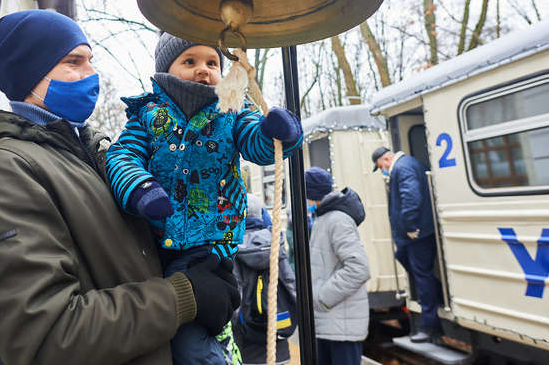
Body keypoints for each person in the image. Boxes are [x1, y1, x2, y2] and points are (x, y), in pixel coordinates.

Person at [0, 10, 240, 365]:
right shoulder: (0, 170)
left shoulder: (95, 151)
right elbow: (48, 335)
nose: (91, 75)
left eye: (91, 61)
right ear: (29, 72)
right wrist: (185, 295)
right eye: (74, 62)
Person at [106, 32, 303, 364]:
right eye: (190, 61)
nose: (204, 69)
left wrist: (276, 133)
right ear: (166, 69)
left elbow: (256, 144)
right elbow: (123, 156)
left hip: (209, 243)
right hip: (153, 241)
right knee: (163, 329)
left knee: (191, 339)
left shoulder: (232, 110)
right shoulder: (148, 114)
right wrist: (140, 188)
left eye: (212, 63)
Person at [372, 146, 442, 342]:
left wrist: (410, 225)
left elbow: (411, 196)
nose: (383, 170)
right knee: (406, 259)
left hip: (417, 234)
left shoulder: (403, 168)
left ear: (386, 159)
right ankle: (435, 294)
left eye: (381, 166)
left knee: (422, 274)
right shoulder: (407, 165)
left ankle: (429, 326)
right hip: (411, 236)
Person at [306, 167, 370, 365]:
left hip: (340, 323)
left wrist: (322, 297)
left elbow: (359, 268)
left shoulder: (337, 220)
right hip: (331, 322)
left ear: (311, 194)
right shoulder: (325, 217)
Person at [232, 194, 297, 365]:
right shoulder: (275, 243)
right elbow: (291, 286)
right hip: (278, 345)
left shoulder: (232, 248)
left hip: (246, 347)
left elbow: (234, 301)